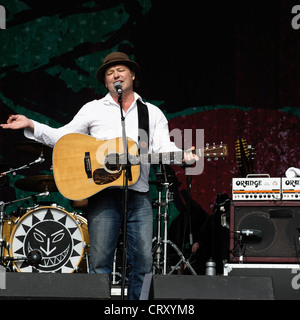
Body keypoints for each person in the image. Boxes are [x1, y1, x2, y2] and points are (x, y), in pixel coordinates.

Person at [0, 52, 198, 299]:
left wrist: (182, 155)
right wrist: (32, 125)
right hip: (102, 194)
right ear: (106, 82)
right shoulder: (93, 109)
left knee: (144, 262)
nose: (115, 74)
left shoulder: (151, 113)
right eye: (109, 72)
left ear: (133, 75)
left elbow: (161, 148)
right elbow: (63, 137)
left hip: (138, 195)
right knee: (101, 260)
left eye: (121, 70)